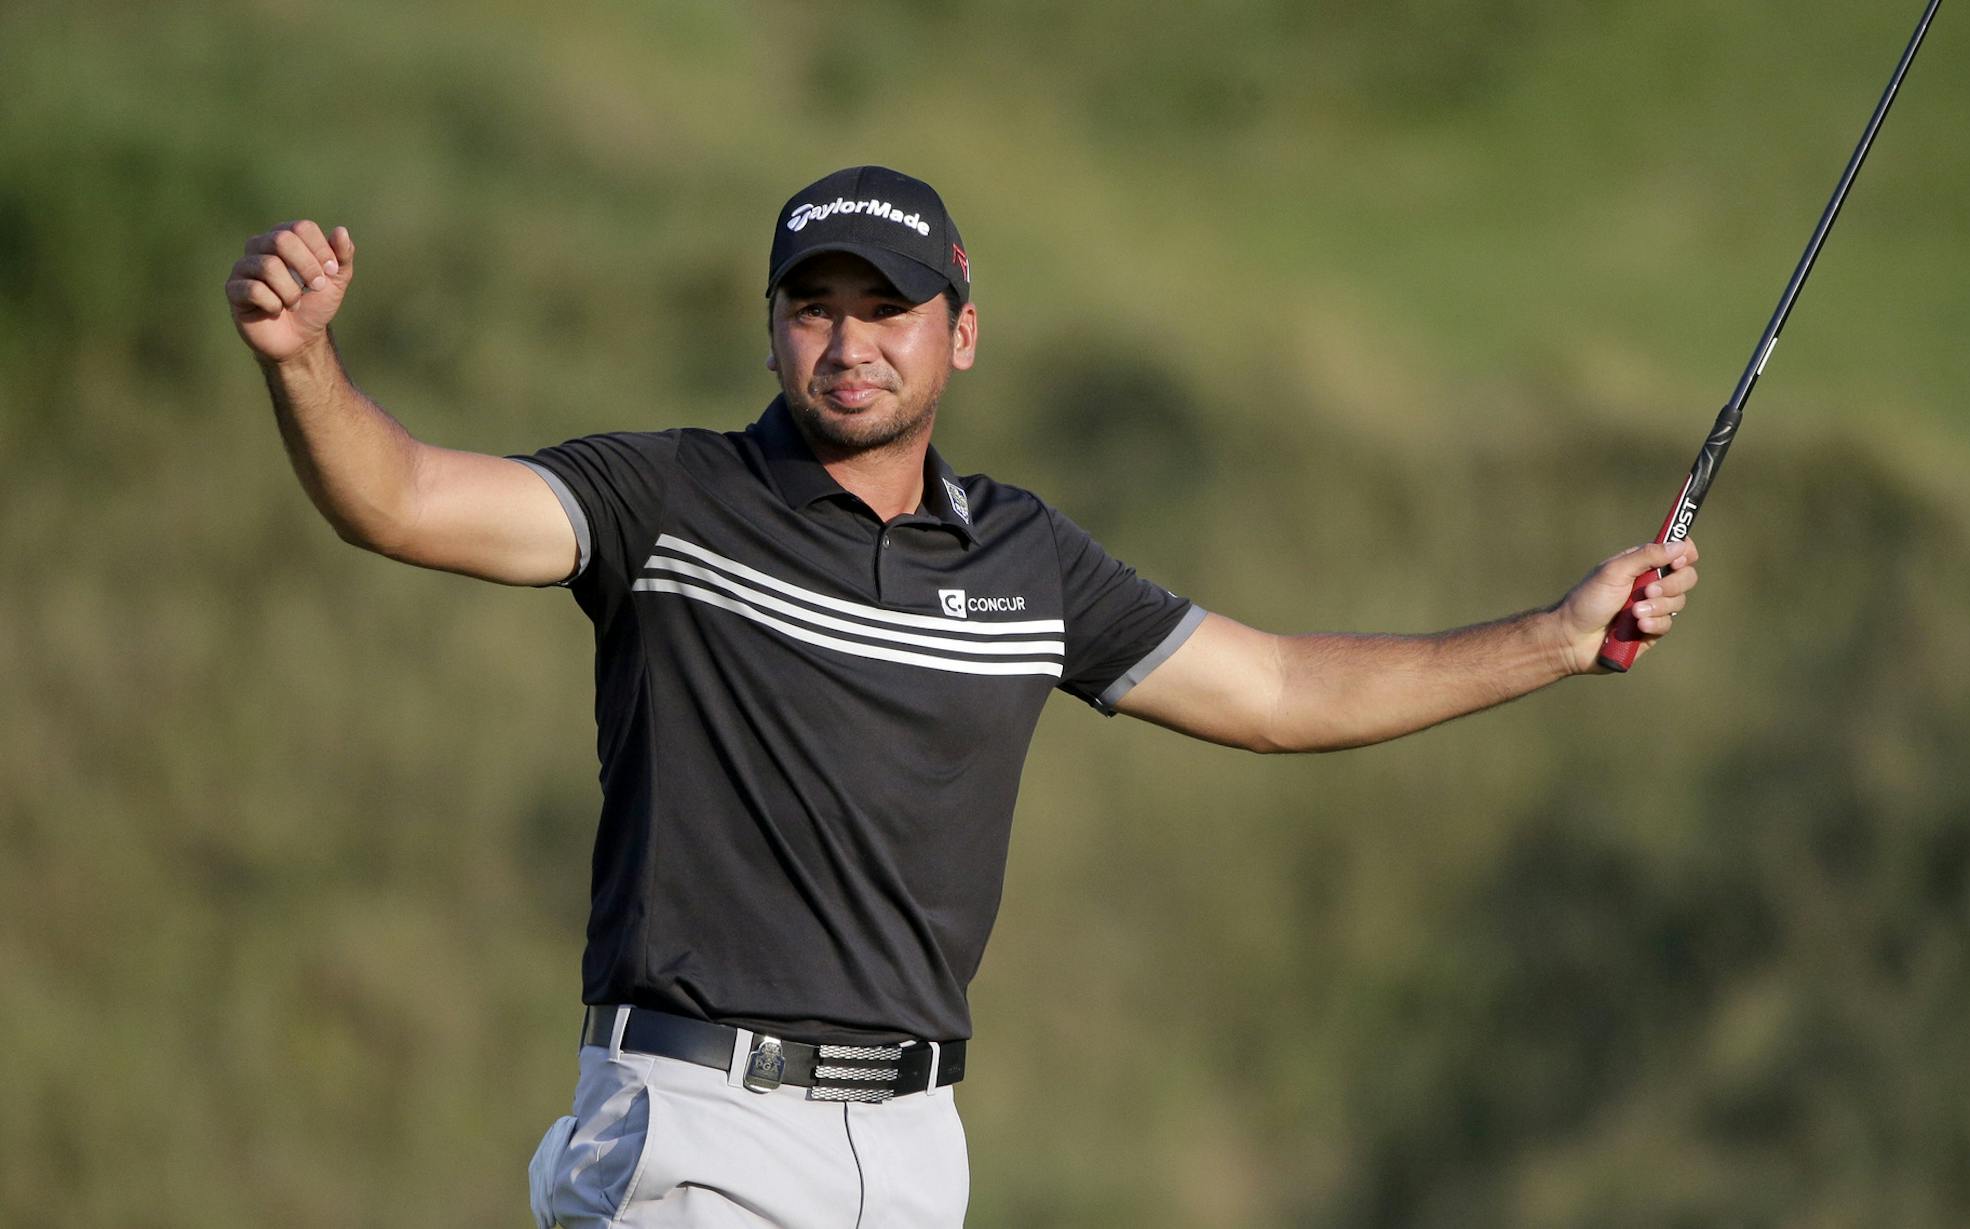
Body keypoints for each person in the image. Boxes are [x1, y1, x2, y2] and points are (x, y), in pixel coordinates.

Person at [225, 165, 1699, 1229]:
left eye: (889, 307)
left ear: (961, 331)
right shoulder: (668, 502)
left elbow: (1276, 685)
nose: (848, 342)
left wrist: (1555, 639)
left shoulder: (1026, 558)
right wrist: (306, 365)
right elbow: (402, 500)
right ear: (771, 330)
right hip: (697, 1136)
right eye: (814, 306)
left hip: (917, 1150)